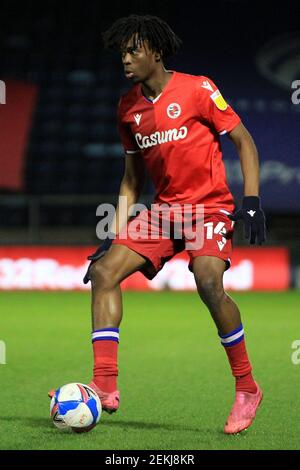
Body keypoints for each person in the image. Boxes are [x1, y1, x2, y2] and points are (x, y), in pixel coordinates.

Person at [50, 14, 266, 434]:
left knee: (208, 282)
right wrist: (115, 232)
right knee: (103, 272)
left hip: (208, 208)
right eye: (123, 52)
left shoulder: (198, 88)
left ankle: (247, 387)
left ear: (156, 51)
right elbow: (132, 180)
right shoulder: (128, 108)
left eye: (134, 50)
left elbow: (245, 141)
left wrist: (252, 201)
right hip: (166, 211)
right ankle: (104, 385)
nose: (126, 59)